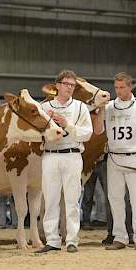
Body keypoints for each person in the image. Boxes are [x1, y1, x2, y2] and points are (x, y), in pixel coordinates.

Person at [94, 72, 136, 250]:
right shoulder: (110, 106)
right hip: (114, 157)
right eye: (116, 88)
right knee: (115, 199)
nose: (118, 91)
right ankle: (120, 237)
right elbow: (98, 130)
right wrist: (100, 109)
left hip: (134, 157)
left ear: (129, 87)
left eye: (122, 87)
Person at [35, 70, 93, 253]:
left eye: (72, 85)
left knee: (72, 199)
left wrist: (66, 124)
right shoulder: (44, 108)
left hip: (72, 155)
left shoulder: (80, 107)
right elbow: (36, 134)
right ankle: (52, 240)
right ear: (57, 86)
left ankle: (72, 240)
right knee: (50, 199)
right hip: (51, 155)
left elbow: (87, 133)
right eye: (66, 84)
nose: (70, 88)